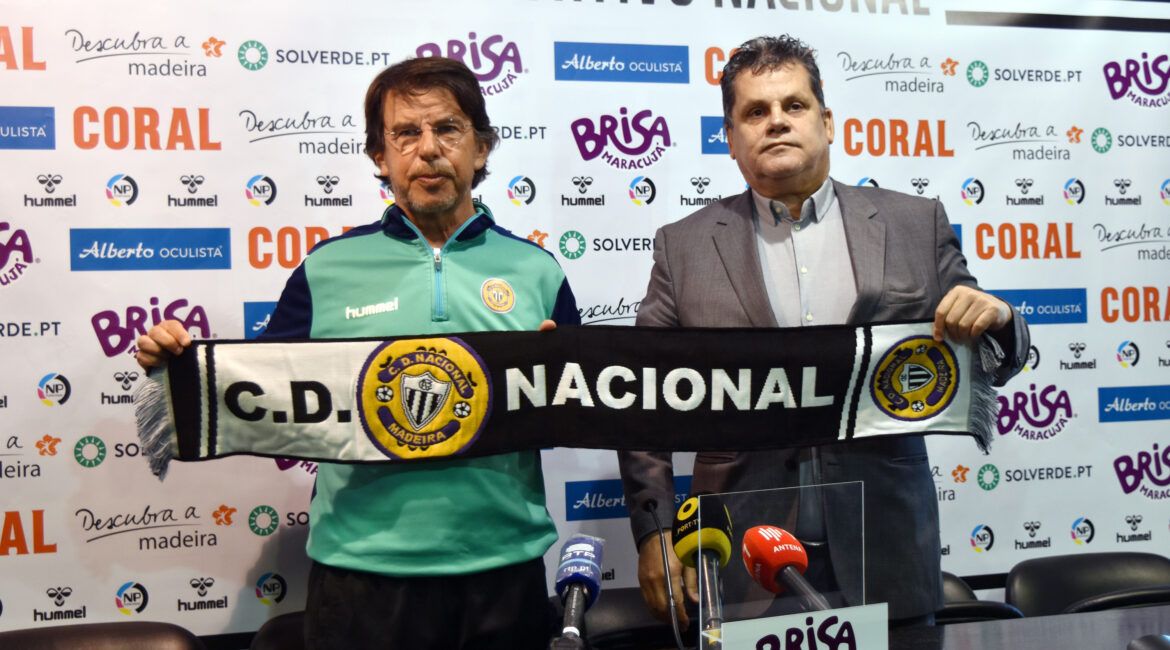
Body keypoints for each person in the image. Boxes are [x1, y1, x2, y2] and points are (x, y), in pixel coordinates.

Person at [136, 56, 579, 649]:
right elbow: (259, 394)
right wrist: (176, 370)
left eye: (448, 129)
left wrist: (553, 378)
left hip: (505, 572)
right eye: (406, 133)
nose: (428, 149)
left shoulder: (538, 271)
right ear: (379, 156)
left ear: (481, 148)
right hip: (360, 579)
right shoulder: (326, 269)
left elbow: (579, 405)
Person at [617, 35, 1029, 627]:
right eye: (755, 112)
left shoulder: (915, 224)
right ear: (730, 137)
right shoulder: (683, 247)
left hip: (886, 549)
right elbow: (639, 398)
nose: (776, 122)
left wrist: (1001, 320)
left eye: (794, 105)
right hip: (743, 560)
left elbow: (993, 353)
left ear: (827, 122)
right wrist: (655, 529)